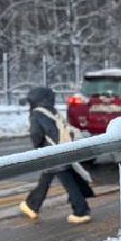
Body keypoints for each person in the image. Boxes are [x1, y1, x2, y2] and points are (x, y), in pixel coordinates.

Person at [18, 86, 93, 224]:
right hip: (60, 151)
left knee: (68, 182)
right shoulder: (53, 112)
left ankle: (81, 212)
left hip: (52, 153)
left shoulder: (36, 114)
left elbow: (36, 134)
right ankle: (31, 205)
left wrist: (39, 147)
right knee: (47, 179)